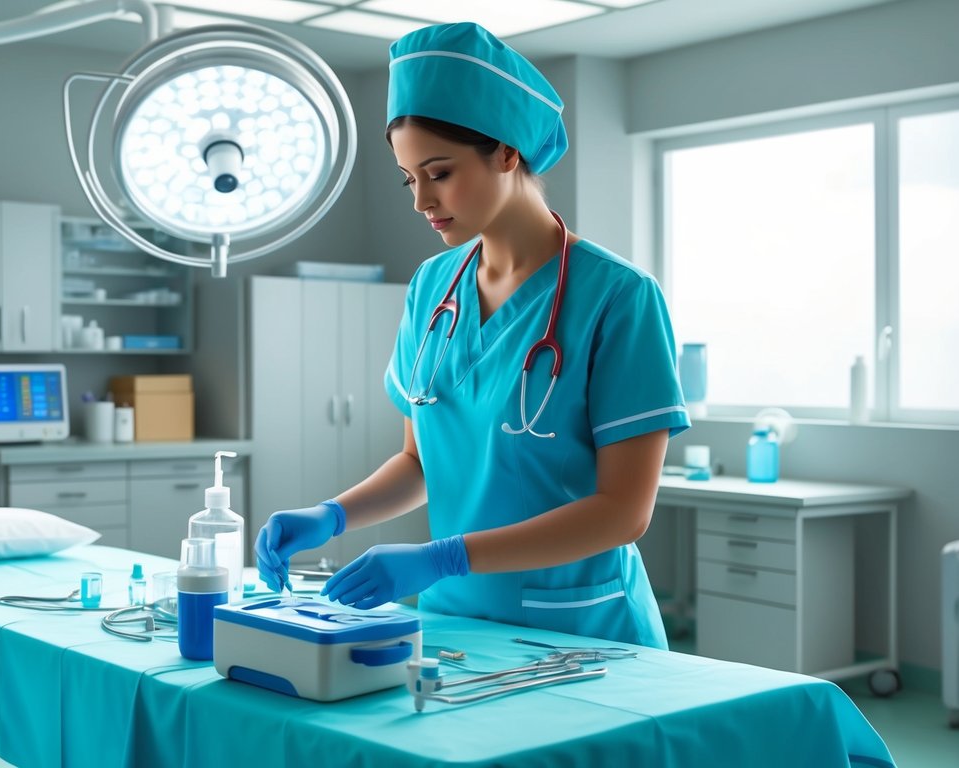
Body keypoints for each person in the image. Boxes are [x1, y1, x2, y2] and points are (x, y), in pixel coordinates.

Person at [253, 22, 690, 649]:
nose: (420, 200)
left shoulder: (619, 298)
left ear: (508, 152)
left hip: (581, 631)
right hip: (454, 621)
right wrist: (333, 515)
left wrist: (443, 556)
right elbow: (418, 462)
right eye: (409, 179)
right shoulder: (433, 287)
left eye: (439, 172)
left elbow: (625, 512)